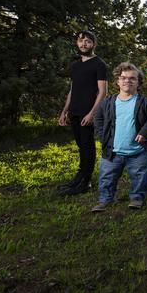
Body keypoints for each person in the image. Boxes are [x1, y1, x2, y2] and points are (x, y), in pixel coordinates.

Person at [91, 62, 147, 212]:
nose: (127, 81)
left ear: (138, 82)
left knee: (140, 176)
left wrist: (144, 132)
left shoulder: (145, 103)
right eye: (123, 78)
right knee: (107, 177)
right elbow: (98, 119)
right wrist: (104, 137)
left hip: (138, 151)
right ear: (117, 81)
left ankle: (137, 197)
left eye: (132, 78)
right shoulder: (108, 103)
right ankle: (105, 199)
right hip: (112, 152)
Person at [58, 30, 108, 195]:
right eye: (81, 41)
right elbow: (72, 89)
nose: (83, 44)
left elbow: (102, 92)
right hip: (74, 111)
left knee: (87, 146)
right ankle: (80, 177)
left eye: (87, 41)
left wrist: (92, 113)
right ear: (77, 43)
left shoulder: (99, 64)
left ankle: (86, 182)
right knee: (81, 146)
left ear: (93, 44)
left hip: (88, 112)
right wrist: (65, 110)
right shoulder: (75, 65)